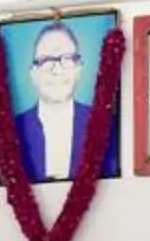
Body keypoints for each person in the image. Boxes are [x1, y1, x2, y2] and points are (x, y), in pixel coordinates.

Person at [13, 19, 118, 181]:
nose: (57, 70)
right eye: (46, 61)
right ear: (33, 74)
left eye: (67, 59)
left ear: (79, 69)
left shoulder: (107, 126)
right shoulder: (14, 130)